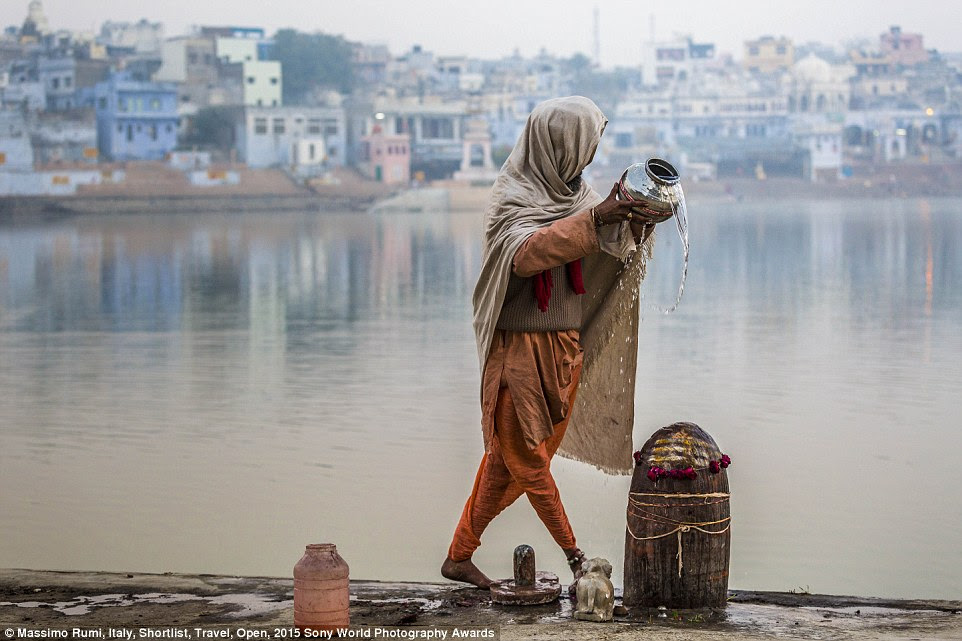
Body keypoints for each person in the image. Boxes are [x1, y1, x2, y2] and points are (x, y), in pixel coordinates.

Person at [442, 96, 668, 589]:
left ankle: (458, 557)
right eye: (584, 146)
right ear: (557, 146)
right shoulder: (514, 196)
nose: (588, 158)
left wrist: (636, 223)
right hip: (519, 353)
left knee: (506, 465)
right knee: (528, 461)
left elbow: (604, 254)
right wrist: (597, 220)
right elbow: (525, 256)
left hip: (564, 352)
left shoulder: (579, 198)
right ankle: (575, 556)